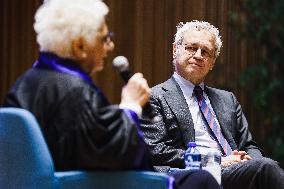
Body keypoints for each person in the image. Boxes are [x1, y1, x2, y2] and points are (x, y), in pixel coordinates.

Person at [3, 1, 222, 189]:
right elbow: (113, 156)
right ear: (79, 46)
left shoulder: (28, 81)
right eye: (104, 38)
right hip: (79, 184)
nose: (111, 45)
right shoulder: (72, 89)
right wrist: (131, 106)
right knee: (200, 180)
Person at [140, 20, 284, 189]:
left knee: (265, 166)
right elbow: (156, 151)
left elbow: (248, 145)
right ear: (175, 50)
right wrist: (217, 161)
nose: (199, 55)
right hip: (192, 174)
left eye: (206, 51)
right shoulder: (153, 97)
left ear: (212, 62)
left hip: (236, 173)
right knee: (266, 169)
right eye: (191, 48)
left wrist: (250, 162)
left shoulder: (227, 99)